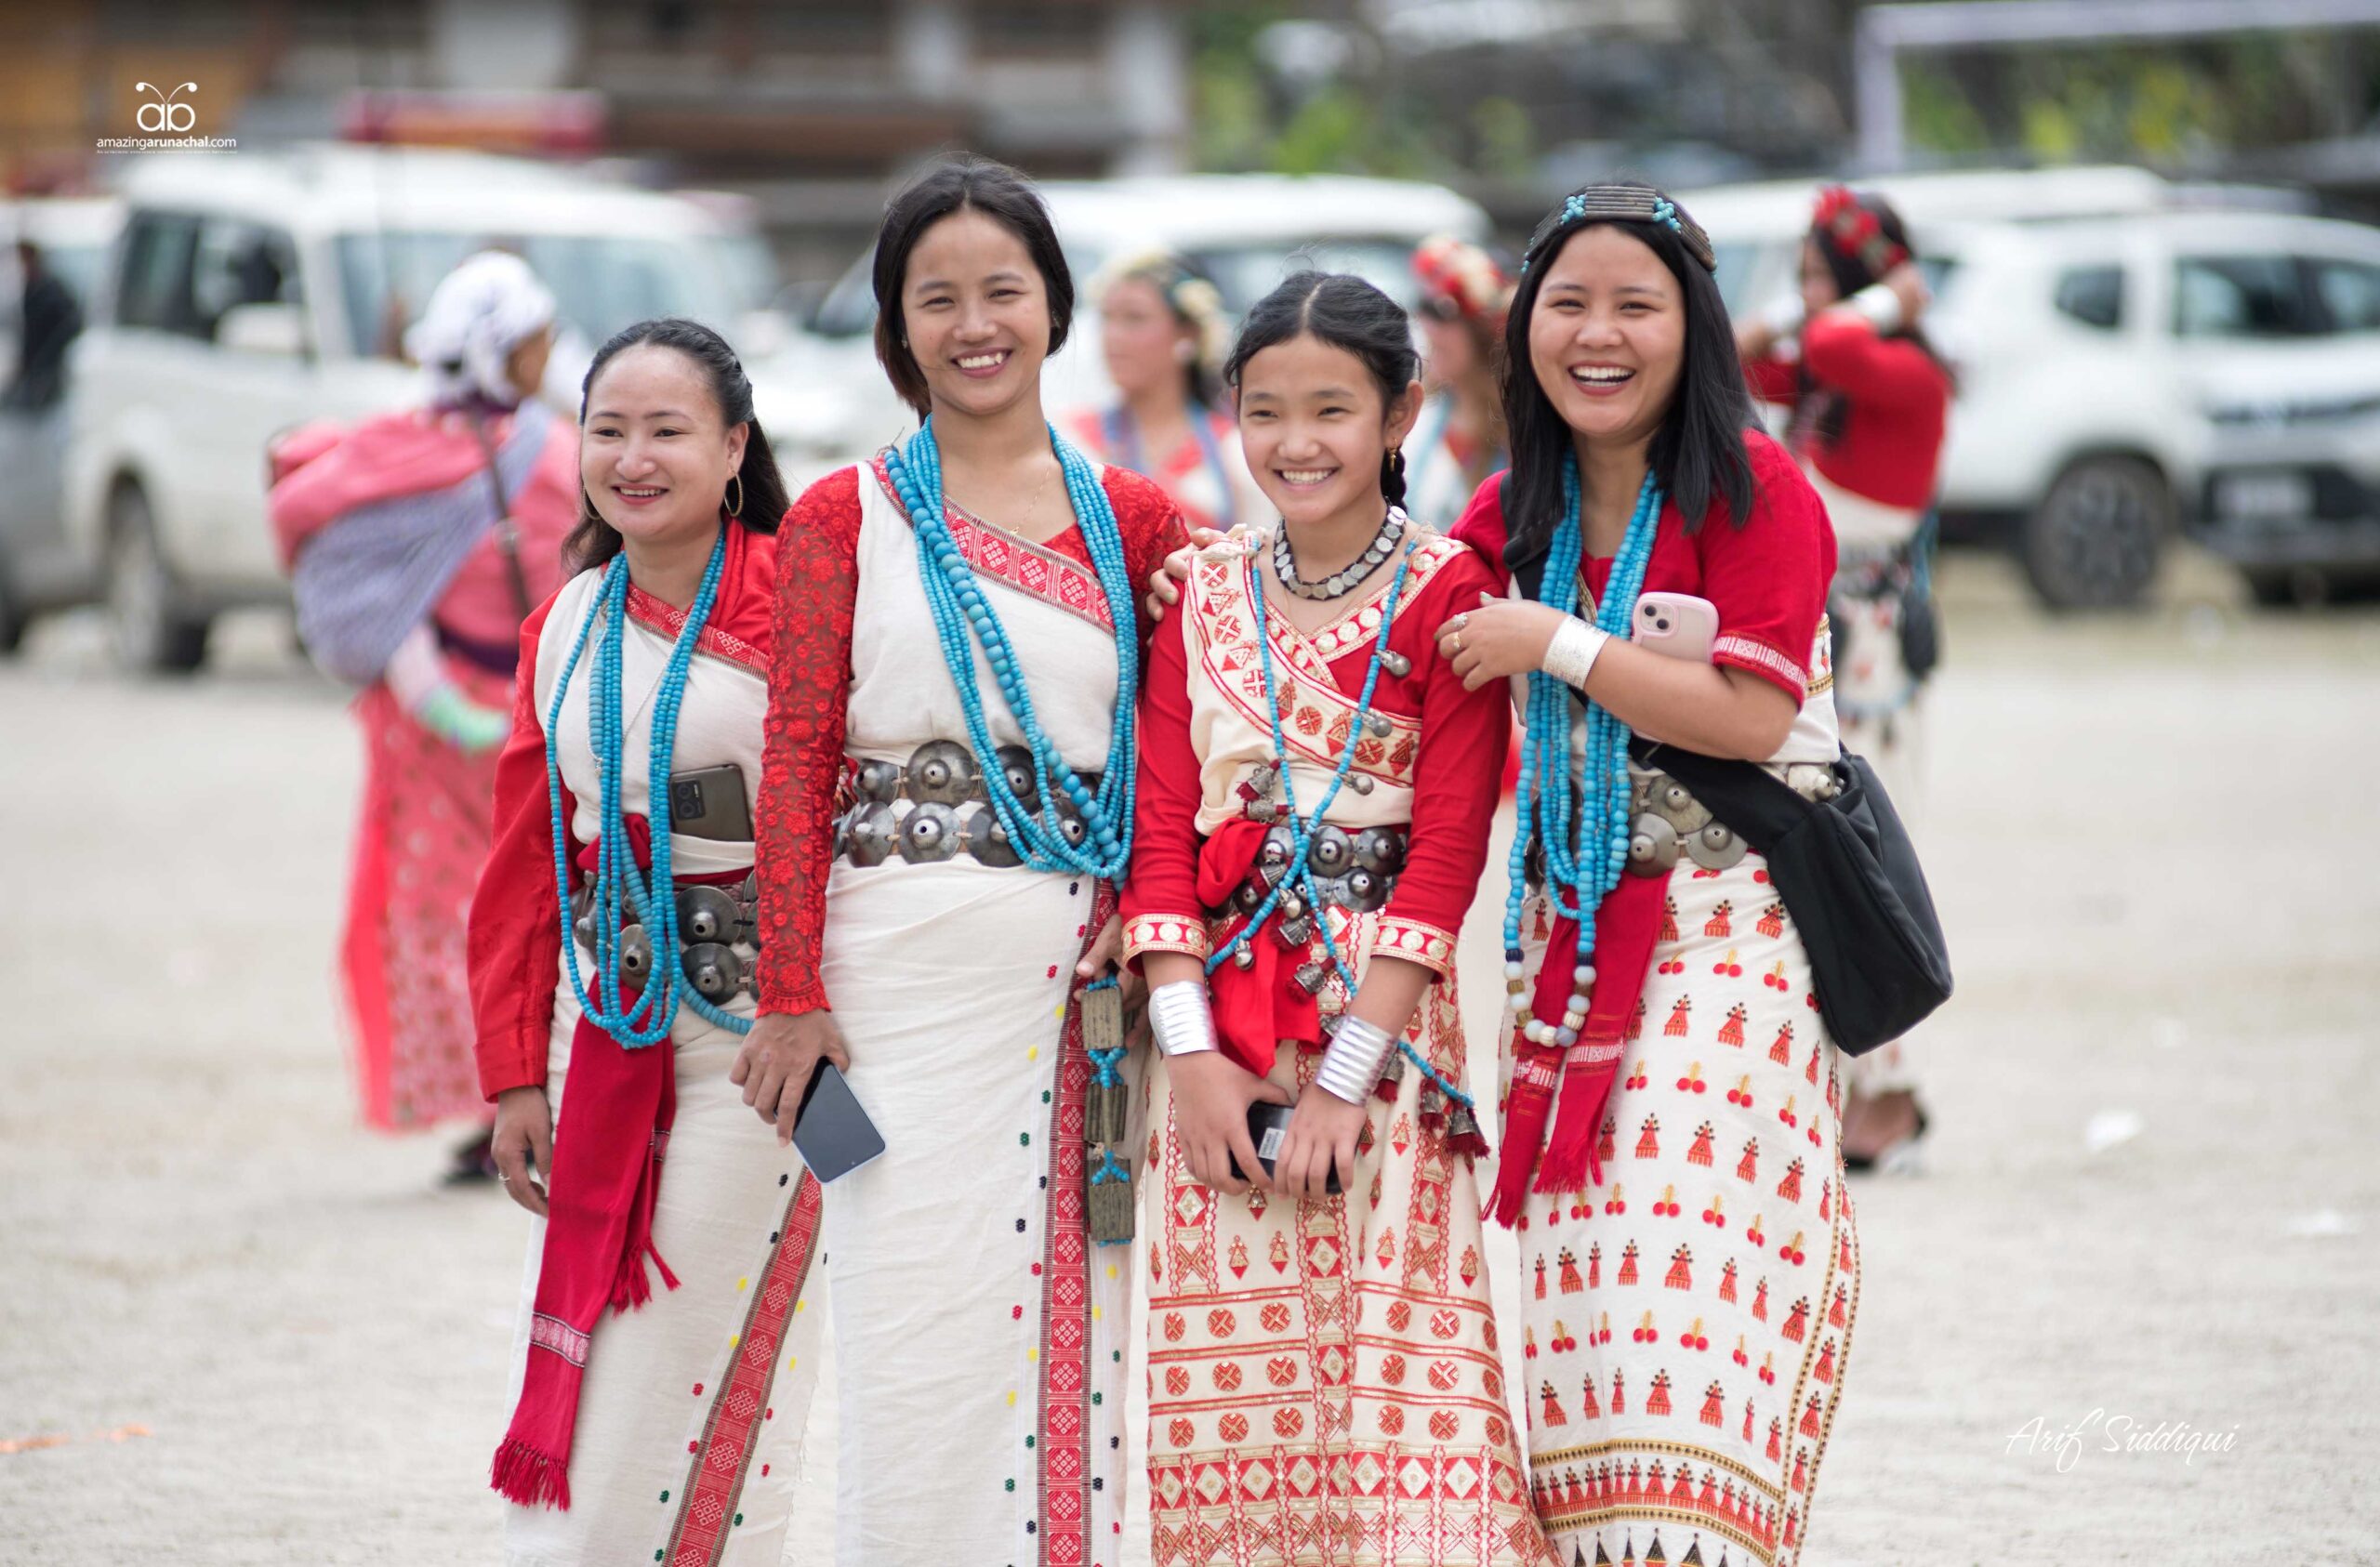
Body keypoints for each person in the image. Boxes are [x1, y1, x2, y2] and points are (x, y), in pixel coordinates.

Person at [745, 155, 1184, 1564]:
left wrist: (1152, 911)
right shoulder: (836, 520)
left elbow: (1184, 756)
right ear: (897, 327)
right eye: (938, 298)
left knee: (1093, 1324)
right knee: (914, 1319)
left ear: (1054, 308)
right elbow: (798, 765)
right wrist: (789, 990)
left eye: (1004, 289)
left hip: (1085, 984)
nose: (974, 322)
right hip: (895, 983)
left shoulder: (1143, 522)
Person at [1437, 183, 1857, 1567]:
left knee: (1692, 1281)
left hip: (1732, 925)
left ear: (1696, 325)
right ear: (1524, 326)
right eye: (1569, 303)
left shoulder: (1756, 487)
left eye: (1637, 304)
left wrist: (1554, 641)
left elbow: (1745, 717)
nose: (1598, 334)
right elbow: (1406, 655)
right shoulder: (1509, 506)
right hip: (1561, 938)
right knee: (1577, 1302)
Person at [1123, 271, 1555, 1567]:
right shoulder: (1198, 592)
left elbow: (1445, 858)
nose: (1296, 442)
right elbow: (1157, 839)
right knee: (1240, 1428)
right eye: (1265, 411)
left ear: (1401, 414)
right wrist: (1193, 1061)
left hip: (1386, 1035)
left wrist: (1348, 1082)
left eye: (1331, 408)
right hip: (1218, 1037)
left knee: (1410, 1398)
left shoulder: (1451, 593)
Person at [467, 316, 821, 1562]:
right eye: (608, 429)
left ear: (733, 447)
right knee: (610, 1349)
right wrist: (514, 1070)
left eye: (667, 430)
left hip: (769, 1048)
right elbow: (523, 865)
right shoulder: (563, 622)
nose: (633, 456)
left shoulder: (809, 604)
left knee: (694, 1361)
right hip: (609, 1037)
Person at [268, 252, 575, 1174]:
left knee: (439, 917)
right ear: (505, 351)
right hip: (531, 723)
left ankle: (486, 1106)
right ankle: (540, 1092)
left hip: (428, 722)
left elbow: (297, 504)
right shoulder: (555, 454)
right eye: (535, 343)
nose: (547, 358)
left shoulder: (383, 447)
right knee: (548, 906)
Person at [1735, 188, 1950, 1171]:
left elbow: (1821, 349)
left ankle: (1893, 1088)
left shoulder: (1902, 372)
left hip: (1867, 649)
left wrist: (1877, 308)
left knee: (1871, 853)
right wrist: (1867, 298)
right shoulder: (1850, 363)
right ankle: (1867, 1078)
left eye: (1821, 276)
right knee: (1823, 847)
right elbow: (1742, 353)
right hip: (1825, 637)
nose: (1806, 297)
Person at [1064, 248, 1265, 533]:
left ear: (1188, 334)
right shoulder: (1070, 441)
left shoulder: (1235, 450)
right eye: (1107, 318)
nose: (1113, 336)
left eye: (1134, 318)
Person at [1404, 234, 1514, 528]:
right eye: (1422, 306)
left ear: (1480, 328)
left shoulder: (1518, 429)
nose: (1427, 325)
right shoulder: (1416, 419)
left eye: (1441, 311)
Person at [6, 239, 83, 409]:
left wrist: (50, 353)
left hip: (47, 362)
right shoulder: (32, 286)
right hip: (34, 361)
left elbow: (71, 323)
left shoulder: (50, 289)